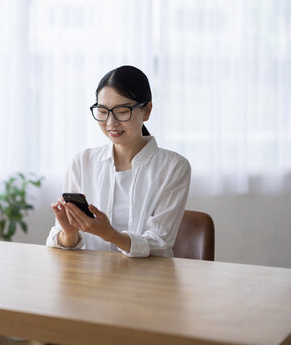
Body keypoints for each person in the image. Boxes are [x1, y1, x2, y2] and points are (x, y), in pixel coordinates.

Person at [46, 65, 191, 257]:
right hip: (92, 280)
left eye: (122, 111)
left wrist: (110, 235)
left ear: (147, 111)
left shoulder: (174, 167)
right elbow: (61, 242)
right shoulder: (82, 162)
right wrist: (69, 233)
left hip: (149, 280)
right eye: (103, 111)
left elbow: (159, 242)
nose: (111, 123)